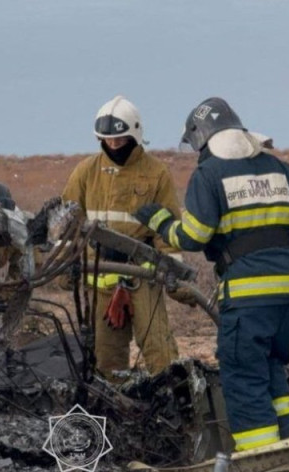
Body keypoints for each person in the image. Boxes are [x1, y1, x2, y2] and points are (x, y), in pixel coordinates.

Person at [135, 97, 289, 451]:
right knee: (270, 367)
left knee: (243, 376)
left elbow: (194, 235)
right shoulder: (280, 169)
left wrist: (160, 221)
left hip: (248, 296)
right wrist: (284, 269)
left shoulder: (210, 173)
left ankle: (262, 460)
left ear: (201, 139)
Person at [61, 95, 188, 381]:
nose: (114, 145)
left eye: (120, 139)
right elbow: (68, 223)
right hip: (99, 282)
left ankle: (174, 410)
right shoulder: (86, 172)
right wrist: (65, 266)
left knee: (159, 353)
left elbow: (166, 231)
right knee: (105, 362)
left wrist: (174, 278)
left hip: (142, 279)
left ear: (135, 135)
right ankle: (116, 417)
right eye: (108, 140)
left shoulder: (156, 173)